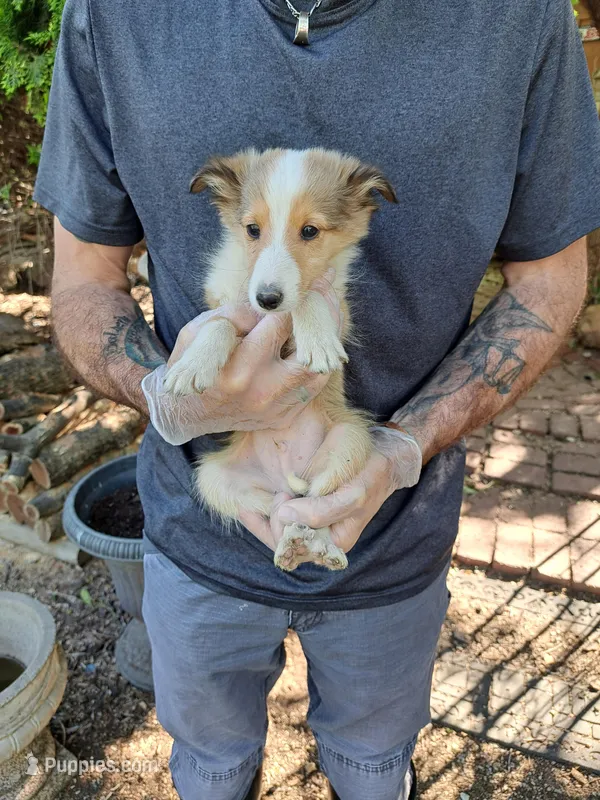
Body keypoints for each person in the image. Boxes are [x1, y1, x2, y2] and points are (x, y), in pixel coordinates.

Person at [35, 0, 600, 797]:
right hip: (199, 536)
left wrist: (399, 451)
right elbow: (86, 278)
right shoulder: (114, 16)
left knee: (371, 770)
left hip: (392, 545)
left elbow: (548, 280)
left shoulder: (519, 19)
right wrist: (164, 391)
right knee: (208, 767)